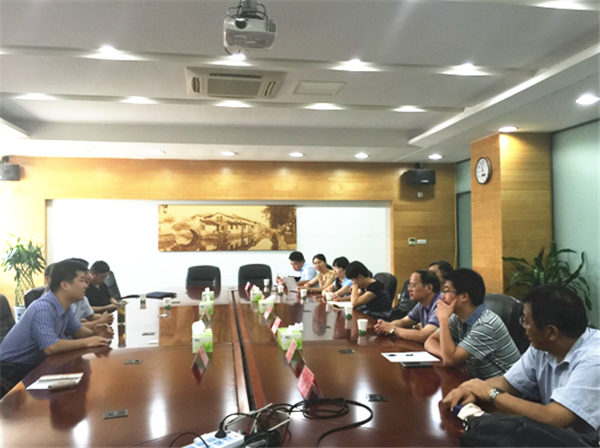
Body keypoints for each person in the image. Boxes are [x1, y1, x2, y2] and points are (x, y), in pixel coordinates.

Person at [441, 284, 599, 446]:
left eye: (526, 321)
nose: (524, 328)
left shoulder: (594, 360)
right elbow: (507, 382)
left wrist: (490, 393)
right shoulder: (544, 346)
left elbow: (554, 418)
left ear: (551, 332)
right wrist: (470, 389)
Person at [0, 259, 113, 391]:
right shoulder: (43, 308)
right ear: (65, 285)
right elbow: (51, 347)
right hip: (11, 371)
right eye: (82, 281)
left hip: (36, 365)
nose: (86, 286)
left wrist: (96, 334)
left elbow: (78, 331)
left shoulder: (64, 307)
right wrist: (88, 341)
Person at [424, 268, 520, 379]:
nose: (442, 296)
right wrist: (445, 355)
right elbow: (430, 341)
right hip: (478, 382)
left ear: (464, 296)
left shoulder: (486, 325)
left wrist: (443, 319)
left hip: (504, 386)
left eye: (446, 291)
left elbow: (449, 360)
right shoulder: (457, 318)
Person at [374, 269, 441, 343]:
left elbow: (423, 335)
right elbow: (404, 321)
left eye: (413, 285)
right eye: (409, 285)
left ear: (429, 288)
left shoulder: (440, 304)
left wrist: (393, 329)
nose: (409, 289)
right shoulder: (422, 304)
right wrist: (385, 326)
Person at [67, 258, 114, 328]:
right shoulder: (60, 303)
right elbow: (72, 328)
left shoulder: (81, 298)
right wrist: (100, 321)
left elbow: (90, 316)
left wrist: (106, 318)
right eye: (82, 280)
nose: (89, 276)